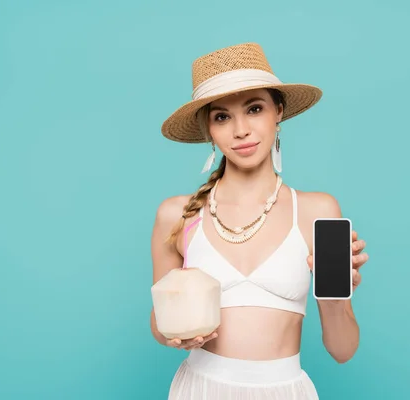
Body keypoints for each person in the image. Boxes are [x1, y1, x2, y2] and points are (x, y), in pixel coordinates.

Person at [150, 42, 369, 399]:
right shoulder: (177, 215)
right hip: (199, 390)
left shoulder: (318, 211)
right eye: (222, 116)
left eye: (254, 109)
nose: (241, 130)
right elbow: (159, 324)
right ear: (209, 128)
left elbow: (343, 350)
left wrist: (333, 296)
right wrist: (175, 334)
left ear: (278, 112)